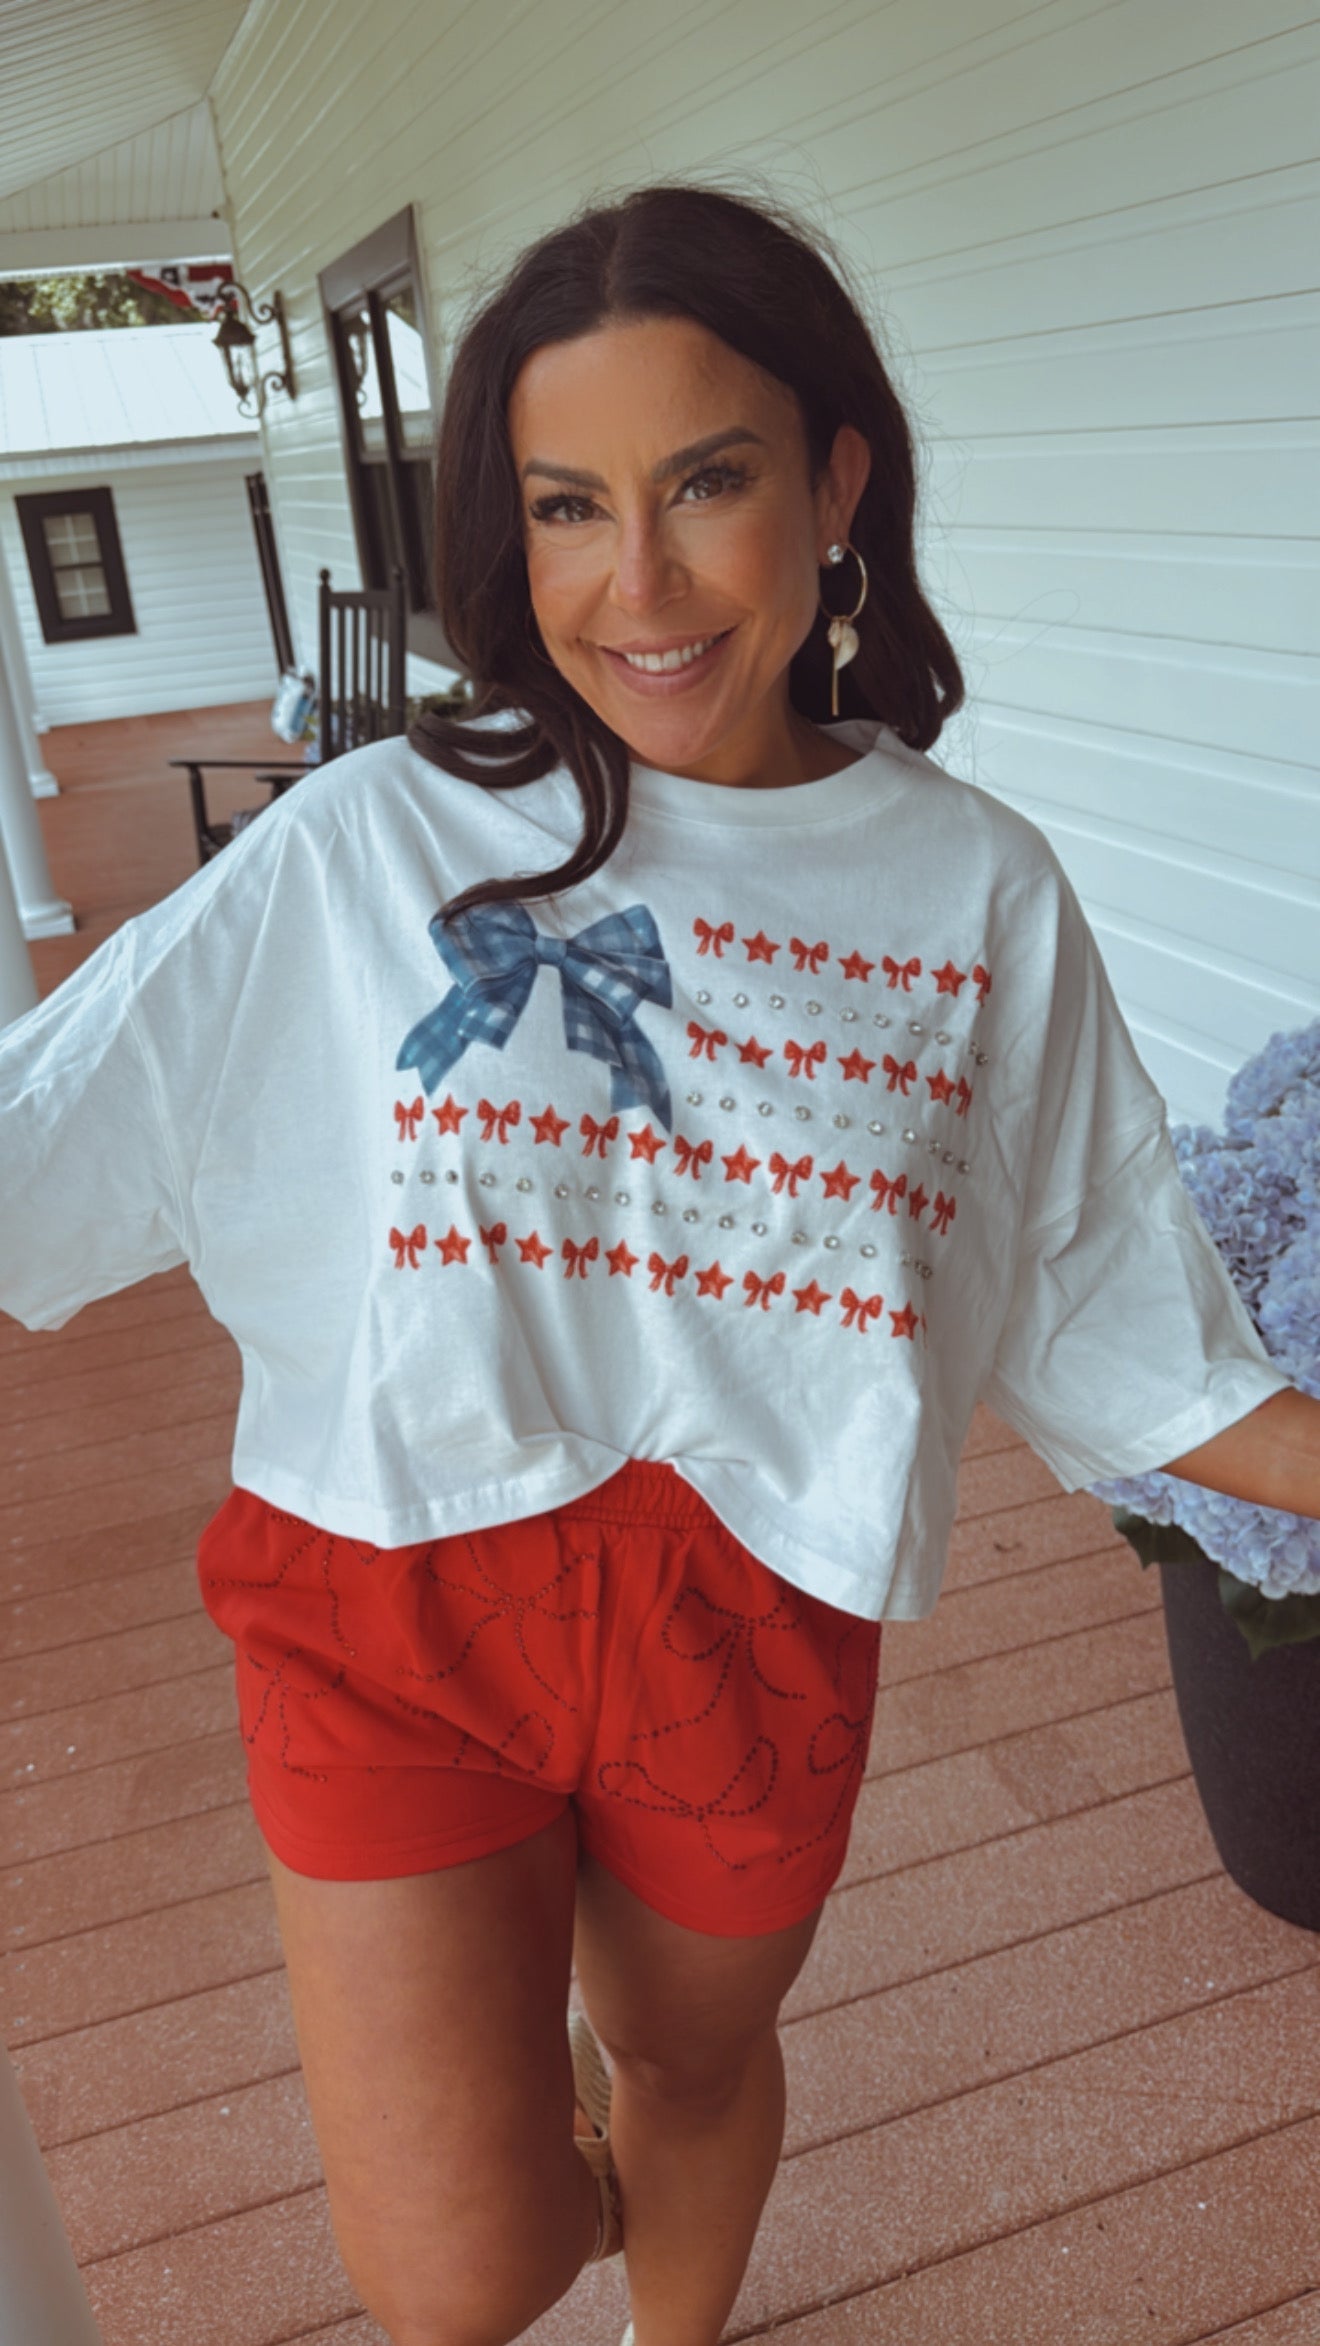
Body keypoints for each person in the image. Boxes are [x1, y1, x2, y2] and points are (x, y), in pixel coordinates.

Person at [2, 181, 1317, 2346]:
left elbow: (1110, 1311)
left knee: (698, 2064)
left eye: (706, 481)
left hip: (755, 1603)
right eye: (566, 506)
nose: (643, 581)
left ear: (836, 484)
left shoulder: (975, 890)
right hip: (392, 1590)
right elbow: (39, 1144)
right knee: (457, 2271)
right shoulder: (375, 844)